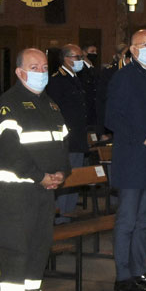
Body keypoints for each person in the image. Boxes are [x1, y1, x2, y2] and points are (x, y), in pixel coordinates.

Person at [0, 48, 69, 291]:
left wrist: (62, 172)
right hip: (18, 188)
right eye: (33, 67)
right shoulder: (8, 104)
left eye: (44, 66)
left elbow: (62, 142)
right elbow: (10, 150)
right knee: (17, 246)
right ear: (19, 72)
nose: (40, 72)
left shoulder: (50, 104)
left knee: (39, 244)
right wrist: (39, 176)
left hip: (45, 188)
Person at [105, 29, 146, 291]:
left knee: (145, 220)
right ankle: (123, 276)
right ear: (133, 50)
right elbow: (112, 118)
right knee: (128, 220)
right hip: (132, 157)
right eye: (145, 45)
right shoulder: (123, 78)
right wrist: (143, 139)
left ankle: (140, 270)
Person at [46, 44, 89, 224]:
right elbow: (56, 113)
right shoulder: (57, 80)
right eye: (78, 57)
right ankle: (61, 219)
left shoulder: (75, 78)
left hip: (78, 138)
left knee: (75, 180)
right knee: (65, 181)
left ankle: (68, 216)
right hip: (66, 140)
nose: (81, 61)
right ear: (66, 59)